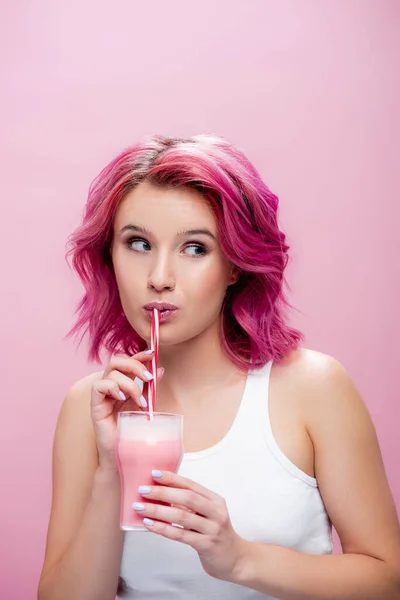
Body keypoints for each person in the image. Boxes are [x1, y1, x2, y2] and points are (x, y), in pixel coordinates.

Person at [38, 134, 400, 600]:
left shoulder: (313, 388)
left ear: (235, 265)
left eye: (194, 248)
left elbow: (388, 580)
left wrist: (240, 559)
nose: (159, 277)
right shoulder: (90, 408)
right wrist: (111, 470)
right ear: (110, 255)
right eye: (138, 243)